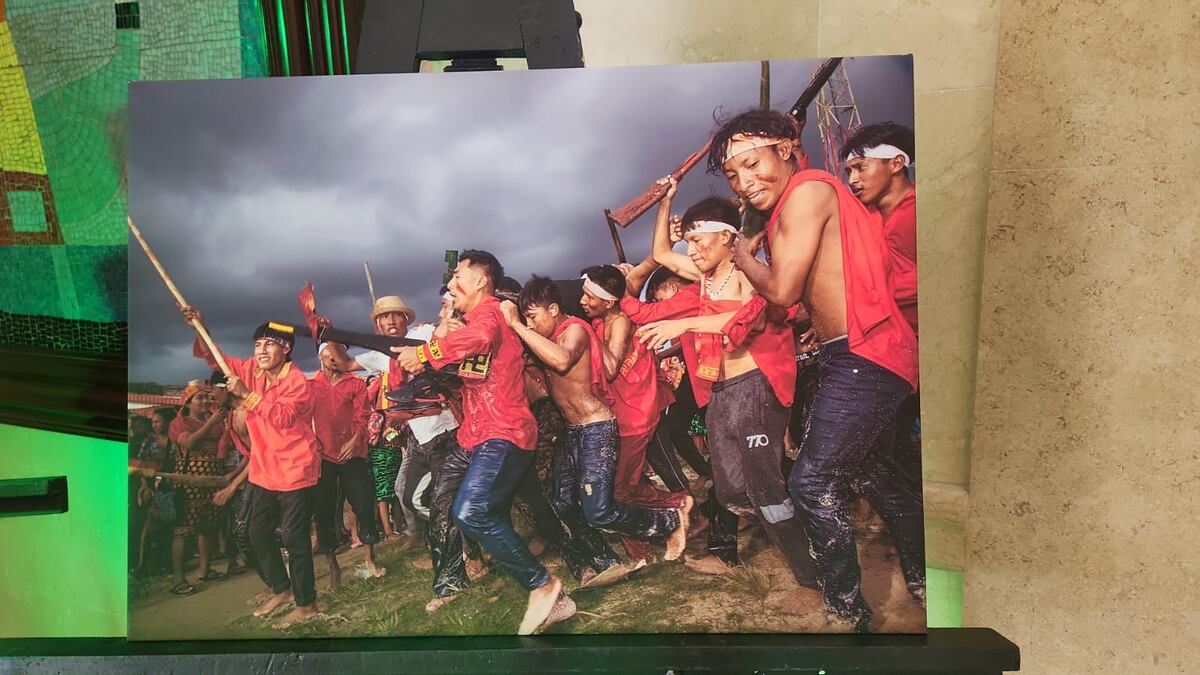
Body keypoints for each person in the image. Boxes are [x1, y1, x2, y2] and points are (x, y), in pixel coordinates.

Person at [712, 109, 924, 630]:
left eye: (752, 163)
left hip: (866, 353)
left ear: (785, 148)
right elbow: (792, 304)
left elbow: (780, 290)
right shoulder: (791, 206)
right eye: (733, 174)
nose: (744, 182)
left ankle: (845, 610)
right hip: (850, 353)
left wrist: (741, 253)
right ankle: (922, 577)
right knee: (876, 476)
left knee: (811, 482)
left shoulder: (807, 190)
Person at [620, 179, 819, 593]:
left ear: (730, 239)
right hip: (720, 393)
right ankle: (799, 514)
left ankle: (812, 572)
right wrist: (666, 200)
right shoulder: (706, 278)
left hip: (755, 384)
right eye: (688, 241)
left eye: (698, 240)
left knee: (763, 486)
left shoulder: (751, 274)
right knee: (729, 487)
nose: (690, 250)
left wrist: (684, 322)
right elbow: (660, 253)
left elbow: (748, 322)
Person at [392, 250, 575, 635]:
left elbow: (479, 338)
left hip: (503, 432)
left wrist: (426, 352)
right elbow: (463, 368)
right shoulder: (469, 320)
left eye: (458, 275)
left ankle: (544, 586)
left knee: (473, 512)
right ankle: (462, 578)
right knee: (455, 506)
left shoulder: (489, 314)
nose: (451, 283)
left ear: (480, 280)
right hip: (474, 435)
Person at [504, 276, 689, 580]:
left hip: (596, 428)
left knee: (599, 510)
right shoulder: (546, 337)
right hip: (572, 432)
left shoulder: (575, 329)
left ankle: (669, 520)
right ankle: (607, 564)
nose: (530, 323)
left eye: (533, 316)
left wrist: (516, 325)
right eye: (525, 317)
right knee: (563, 502)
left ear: (552, 309)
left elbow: (562, 361)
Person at [329, 293, 477, 613]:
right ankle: (469, 548)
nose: (391, 321)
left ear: (406, 319)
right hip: (419, 441)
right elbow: (345, 364)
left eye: (396, 316)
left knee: (439, 506)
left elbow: (448, 336)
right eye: (384, 318)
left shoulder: (423, 336)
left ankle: (455, 575)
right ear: (377, 324)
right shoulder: (377, 354)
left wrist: (444, 320)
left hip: (448, 432)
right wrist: (332, 338)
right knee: (409, 497)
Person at [183, 309, 323, 628]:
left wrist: (246, 396)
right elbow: (212, 355)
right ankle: (282, 589)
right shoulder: (251, 370)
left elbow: (284, 418)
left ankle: (307, 605)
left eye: (269, 343)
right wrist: (199, 324)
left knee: (295, 539)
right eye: (257, 343)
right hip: (264, 469)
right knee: (255, 532)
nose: (261, 350)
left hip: (296, 468)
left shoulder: (298, 381)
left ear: (286, 348)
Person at [579, 264, 689, 563]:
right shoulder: (605, 320)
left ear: (609, 301)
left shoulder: (620, 323)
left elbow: (612, 368)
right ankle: (655, 536)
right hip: (621, 413)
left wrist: (586, 334)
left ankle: (676, 505)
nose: (582, 302)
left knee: (618, 490)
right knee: (621, 484)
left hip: (635, 415)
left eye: (589, 297)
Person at [843, 122, 922, 495]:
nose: (853, 180)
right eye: (848, 172)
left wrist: (861, 299)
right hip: (893, 356)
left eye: (861, 167)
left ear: (895, 163)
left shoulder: (919, 213)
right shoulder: (869, 219)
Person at [310, 341, 386, 587]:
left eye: (337, 353)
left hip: (352, 454)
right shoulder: (310, 385)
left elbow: (363, 416)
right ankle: (333, 566)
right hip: (322, 456)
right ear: (320, 357)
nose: (333, 357)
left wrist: (355, 441)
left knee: (364, 504)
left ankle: (369, 558)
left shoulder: (355, 383)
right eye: (328, 353)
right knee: (323, 511)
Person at [165, 381, 227, 595]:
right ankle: (178, 580)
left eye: (208, 397)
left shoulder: (217, 422)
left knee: (208, 527)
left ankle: (205, 570)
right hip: (188, 481)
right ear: (187, 402)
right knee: (183, 530)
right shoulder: (179, 422)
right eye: (199, 398)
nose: (206, 401)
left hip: (212, 479)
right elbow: (189, 443)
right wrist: (211, 423)